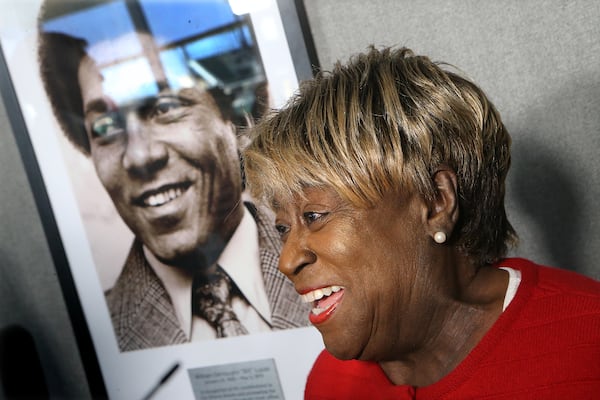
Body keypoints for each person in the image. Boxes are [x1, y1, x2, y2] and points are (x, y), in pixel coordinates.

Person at [243, 46, 600, 399]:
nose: (286, 261)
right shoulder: (330, 383)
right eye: (283, 227)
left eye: (314, 216)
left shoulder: (587, 342)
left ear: (435, 201)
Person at [36, 24, 309, 350]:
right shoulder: (103, 338)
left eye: (165, 108)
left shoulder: (336, 271)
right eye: (106, 126)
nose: (139, 156)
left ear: (236, 120)